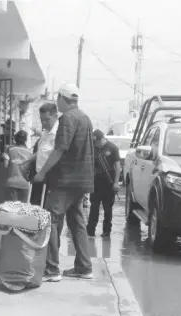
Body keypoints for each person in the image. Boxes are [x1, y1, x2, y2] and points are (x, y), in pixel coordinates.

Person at [34, 83, 94, 282]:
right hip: (81, 180)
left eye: (57, 97)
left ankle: (52, 269)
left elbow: (59, 149)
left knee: (50, 220)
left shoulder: (67, 118)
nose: (56, 101)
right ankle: (84, 267)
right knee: (77, 222)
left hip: (66, 180)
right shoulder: (85, 117)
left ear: (62, 98)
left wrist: (42, 172)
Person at [86, 129, 121, 237]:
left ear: (102, 139)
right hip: (96, 182)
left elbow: (117, 166)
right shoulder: (94, 148)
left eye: (96, 142)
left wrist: (116, 182)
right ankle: (90, 230)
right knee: (94, 207)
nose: (95, 145)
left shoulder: (112, 148)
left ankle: (106, 231)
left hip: (108, 183)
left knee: (108, 208)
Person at [28, 102, 59, 206]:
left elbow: (55, 156)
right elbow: (41, 153)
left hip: (50, 179)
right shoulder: (45, 132)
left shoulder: (59, 134)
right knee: (35, 208)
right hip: (39, 177)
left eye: (47, 120)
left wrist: (42, 174)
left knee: (47, 210)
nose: (44, 123)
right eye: (42, 120)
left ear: (56, 116)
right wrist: (27, 159)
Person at [3, 130, 32, 202]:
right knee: (22, 210)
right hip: (24, 184)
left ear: (15, 138)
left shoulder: (10, 149)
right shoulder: (29, 152)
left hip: (11, 183)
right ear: (25, 140)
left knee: (11, 209)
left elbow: (5, 165)